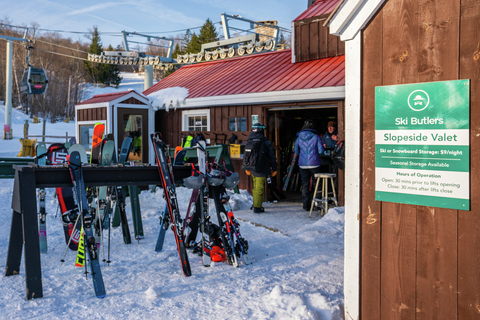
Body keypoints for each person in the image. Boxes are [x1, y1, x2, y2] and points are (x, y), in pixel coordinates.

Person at [244, 123, 278, 214]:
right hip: (262, 169)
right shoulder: (265, 142)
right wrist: (274, 168)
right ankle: (257, 207)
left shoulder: (249, 141)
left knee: (255, 188)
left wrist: (246, 167)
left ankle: (256, 204)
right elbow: (272, 156)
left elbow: (246, 155)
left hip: (252, 169)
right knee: (259, 189)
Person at [294, 119, 325, 211]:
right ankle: (317, 203)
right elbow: (321, 151)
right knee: (317, 184)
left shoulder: (299, 138)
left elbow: (296, 151)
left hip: (302, 165)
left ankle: (306, 206)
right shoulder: (316, 137)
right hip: (315, 164)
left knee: (305, 184)